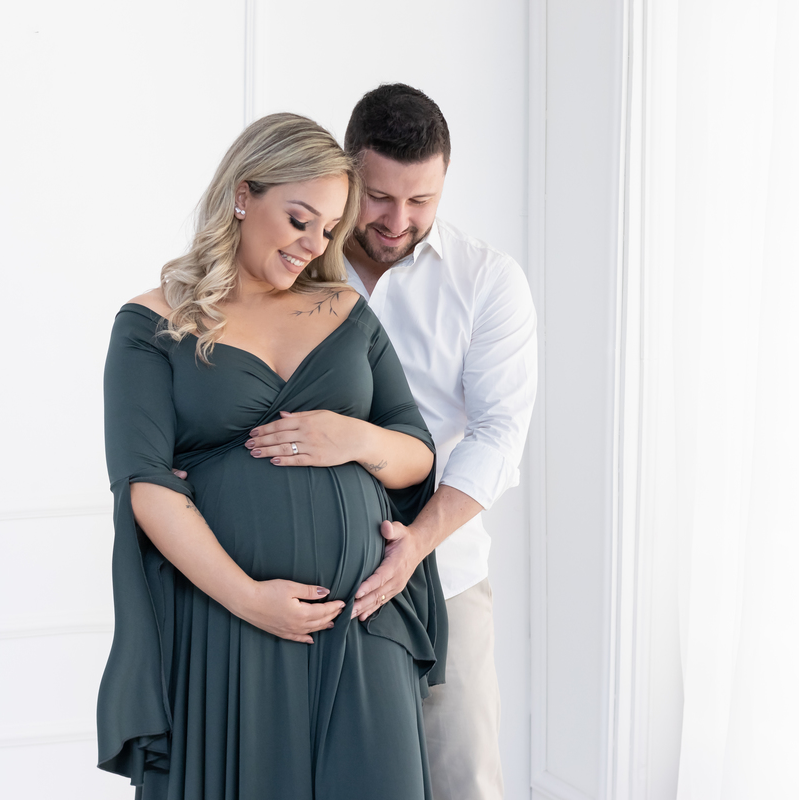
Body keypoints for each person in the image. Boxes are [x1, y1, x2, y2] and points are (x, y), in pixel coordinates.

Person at [96, 112, 448, 800]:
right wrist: (250, 600)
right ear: (242, 195)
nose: (313, 245)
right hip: (227, 623)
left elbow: (416, 455)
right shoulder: (151, 324)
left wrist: (356, 438)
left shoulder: (344, 309)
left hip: (361, 619)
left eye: (329, 229)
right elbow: (145, 484)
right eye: (298, 220)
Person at [249, 85, 537, 800]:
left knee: (463, 777)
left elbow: (499, 434)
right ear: (348, 172)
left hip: (444, 572)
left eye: (422, 201)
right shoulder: (289, 261)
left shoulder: (487, 280)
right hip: (304, 580)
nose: (398, 220)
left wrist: (415, 544)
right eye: (378, 197)